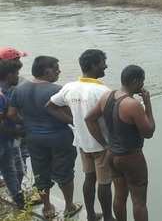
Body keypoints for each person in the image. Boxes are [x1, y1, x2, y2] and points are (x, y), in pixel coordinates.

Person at [8, 56, 85, 218]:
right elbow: (69, 115)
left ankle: (47, 207)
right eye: (56, 68)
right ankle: (69, 206)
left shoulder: (19, 89)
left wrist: (28, 123)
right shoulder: (57, 90)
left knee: (40, 172)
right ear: (47, 70)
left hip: (33, 138)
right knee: (65, 172)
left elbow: (12, 114)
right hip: (59, 137)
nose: (59, 71)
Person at [47, 50, 113, 221]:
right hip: (101, 145)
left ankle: (91, 215)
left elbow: (50, 106)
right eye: (102, 63)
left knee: (89, 178)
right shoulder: (103, 91)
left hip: (82, 143)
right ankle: (108, 217)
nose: (105, 65)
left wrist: (73, 122)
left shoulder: (70, 87)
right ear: (93, 65)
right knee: (105, 183)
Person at [86, 65, 155, 221]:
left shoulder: (107, 96)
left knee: (120, 195)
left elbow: (89, 118)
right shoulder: (132, 104)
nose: (143, 85)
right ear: (136, 81)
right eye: (142, 81)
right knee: (139, 201)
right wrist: (148, 105)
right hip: (131, 157)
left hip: (112, 154)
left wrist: (105, 144)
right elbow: (149, 132)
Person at [0, 60, 25, 209]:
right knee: (10, 170)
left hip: (6, 141)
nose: (18, 76)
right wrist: (19, 131)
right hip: (4, 140)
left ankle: (18, 199)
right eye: (16, 73)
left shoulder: (8, 91)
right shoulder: (1, 96)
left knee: (11, 170)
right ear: (9, 75)